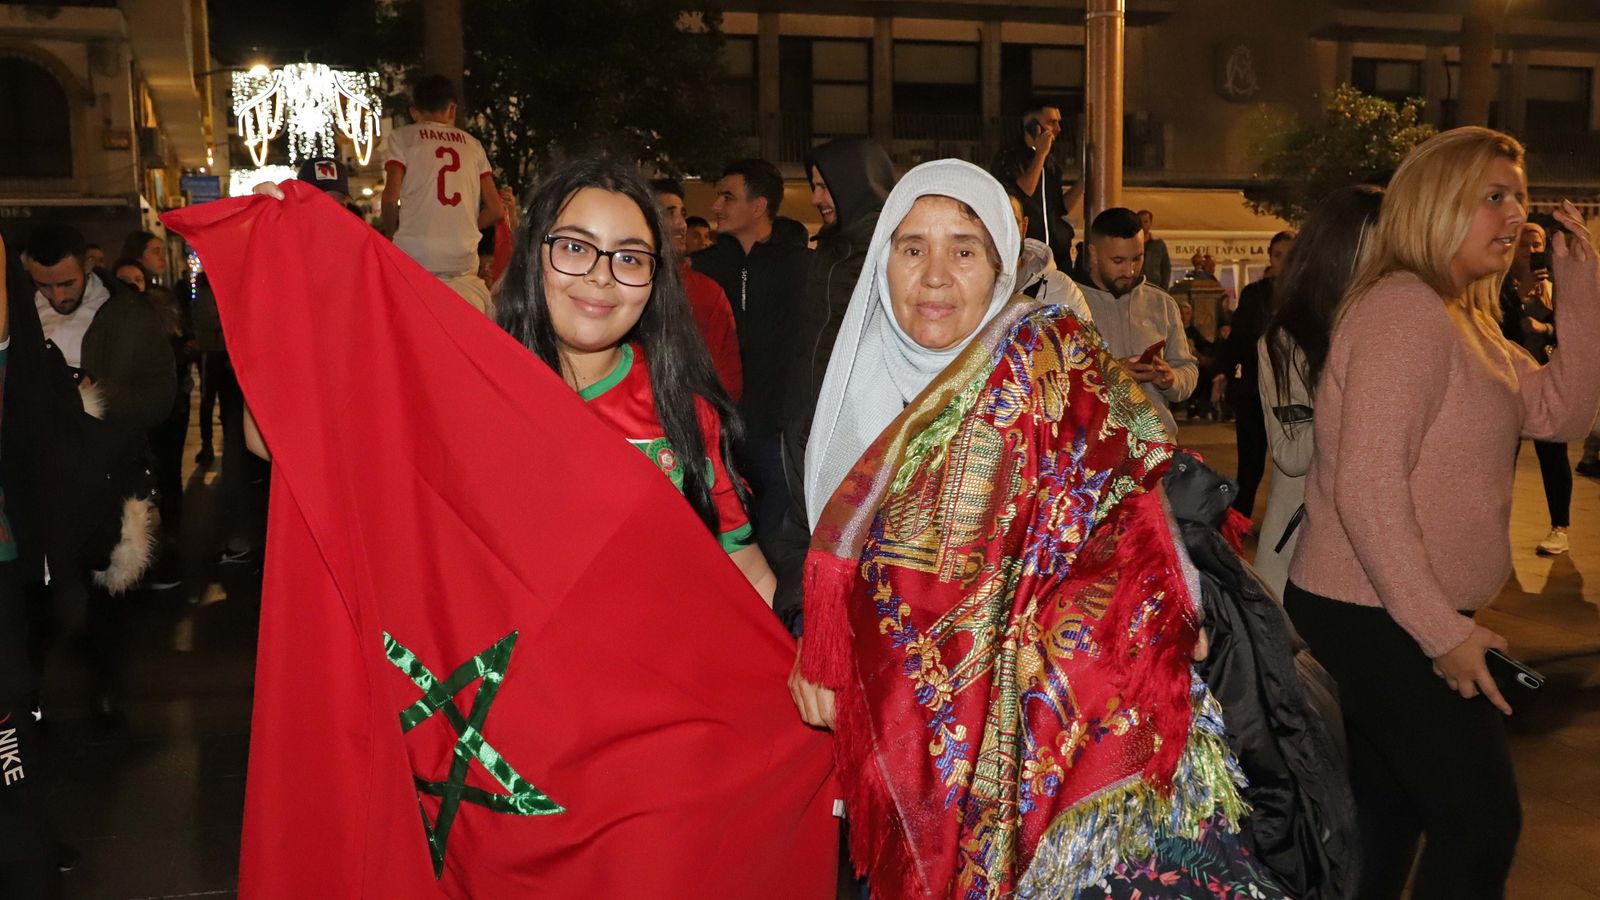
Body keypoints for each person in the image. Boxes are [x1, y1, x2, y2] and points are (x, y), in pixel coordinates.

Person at [788, 158, 1283, 898]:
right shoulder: (843, 397)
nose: (934, 275)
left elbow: (1132, 517)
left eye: (964, 248)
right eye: (911, 246)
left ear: (1000, 266)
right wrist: (818, 652)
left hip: (1055, 746)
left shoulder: (1052, 367)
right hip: (900, 738)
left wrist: (1163, 611)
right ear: (881, 258)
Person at [1284, 128, 1600, 899]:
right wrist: (1443, 632)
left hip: (1394, 609)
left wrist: (1581, 284)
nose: (1516, 214)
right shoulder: (1405, 312)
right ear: (1435, 205)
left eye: (1518, 197)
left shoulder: (1461, 317)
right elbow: (1367, 490)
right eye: (1493, 196)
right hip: (1379, 613)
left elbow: (1561, 412)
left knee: (1392, 817)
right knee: (1480, 824)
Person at [497, 160, 774, 598]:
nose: (601, 276)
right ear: (534, 255)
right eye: (574, 248)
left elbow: (749, 573)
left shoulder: (680, 408)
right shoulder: (476, 387)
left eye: (628, 258)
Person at [8, 223, 172, 726]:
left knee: (107, 589)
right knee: (33, 593)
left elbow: (162, 396)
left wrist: (96, 396)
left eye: (67, 284)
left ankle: (104, 688)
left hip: (108, 472)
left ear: (90, 264)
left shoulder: (127, 313)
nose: (57, 295)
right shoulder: (12, 314)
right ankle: (27, 698)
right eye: (44, 285)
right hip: (39, 478)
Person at [1255, 186, 1383, 598]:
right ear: (1343, 252)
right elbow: (1290, 455)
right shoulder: (1286, 342)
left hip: (1386, 553)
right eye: (1382, 247)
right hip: (1306, 555)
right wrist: (1354, 391)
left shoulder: (1396, 327)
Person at [691, 158, 811, 556]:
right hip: (717, 433)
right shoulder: (703, 269)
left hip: (778, 433)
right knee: (721, 543)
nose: (716, 207)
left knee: (776, 543)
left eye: (728, 196)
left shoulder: (801, 267)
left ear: (758, 206)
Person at [382, 74, 505, 317]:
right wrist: (467, 225)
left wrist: (391, 235)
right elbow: (496, 209)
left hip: (414, 259)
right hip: (462, 265)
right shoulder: (474, 145)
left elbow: (389, 197)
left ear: (414, 112)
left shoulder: (402, 138)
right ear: (452, 109)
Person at [1072, 207, 1198, 437]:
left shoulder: (1162, 303)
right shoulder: (1068, 302)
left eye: (1137, 258)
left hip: (1157, 449)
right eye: (1118, 261)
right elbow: (1054, 386)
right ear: (1093, 253)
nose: (1129, 270)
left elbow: (1188, 369)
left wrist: (1171, 379)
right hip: (1093, 452)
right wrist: (1111, 374)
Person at [121, 230, 193, 574]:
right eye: (153, 250)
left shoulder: (163, 300)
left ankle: (172, 535)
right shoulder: (111, 315)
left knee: (167, 469)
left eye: (138, 280)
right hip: (130, 412)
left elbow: (179, 346)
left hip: (169, 405)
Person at [1500, 220, 1573, 555]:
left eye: (1538, 244)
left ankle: (1560, 527)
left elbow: (1569, 330)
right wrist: (1519, 295)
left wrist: (1544, 326)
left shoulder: (1556, 287)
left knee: (1553, 451)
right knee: (1500, 456)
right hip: (1506, 383)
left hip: (1543, 378)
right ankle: (1495, 526)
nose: (1532, 251)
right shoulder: (1498, 286)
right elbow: (1493, 331)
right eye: (1525, 245)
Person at [1215, 230, 1294, 517]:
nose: (1285, 262)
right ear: (1270, 258)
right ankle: (1238, 523)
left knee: (1292, 468)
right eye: (1279, 255)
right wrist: (1222, 373)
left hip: (1292, 392)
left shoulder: (1306, 296)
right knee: (1250, 467)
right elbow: (1239, 339)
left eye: (1291, 255)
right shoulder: (1255, 294)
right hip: (1254, 390)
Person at [650, 178, 742, 400]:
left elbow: (728, 383)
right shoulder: (619, 287)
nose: (681, 223)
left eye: (682, 213)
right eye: (669, 213)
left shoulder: (706, 292)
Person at [989, 100, 1085, 269]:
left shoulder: (1051, 163)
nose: (1058, 129)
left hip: (1056, 256)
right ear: (1032, 125)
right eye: (1051, 122)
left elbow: (1060, 208)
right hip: (1026, 257)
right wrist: (1040, 154)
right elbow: (1021, 193)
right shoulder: (1008, 157)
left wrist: (1083, 181)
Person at [1139, 209, 1172, 290]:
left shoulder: (1158, 244)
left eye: (1146, 221)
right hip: (1137, 284)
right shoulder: (1132, 244)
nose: (1142, 225)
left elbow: (1166, 267)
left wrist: (1164, 288)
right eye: (1140, 222)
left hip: (1155, 285)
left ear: (1150, 223)